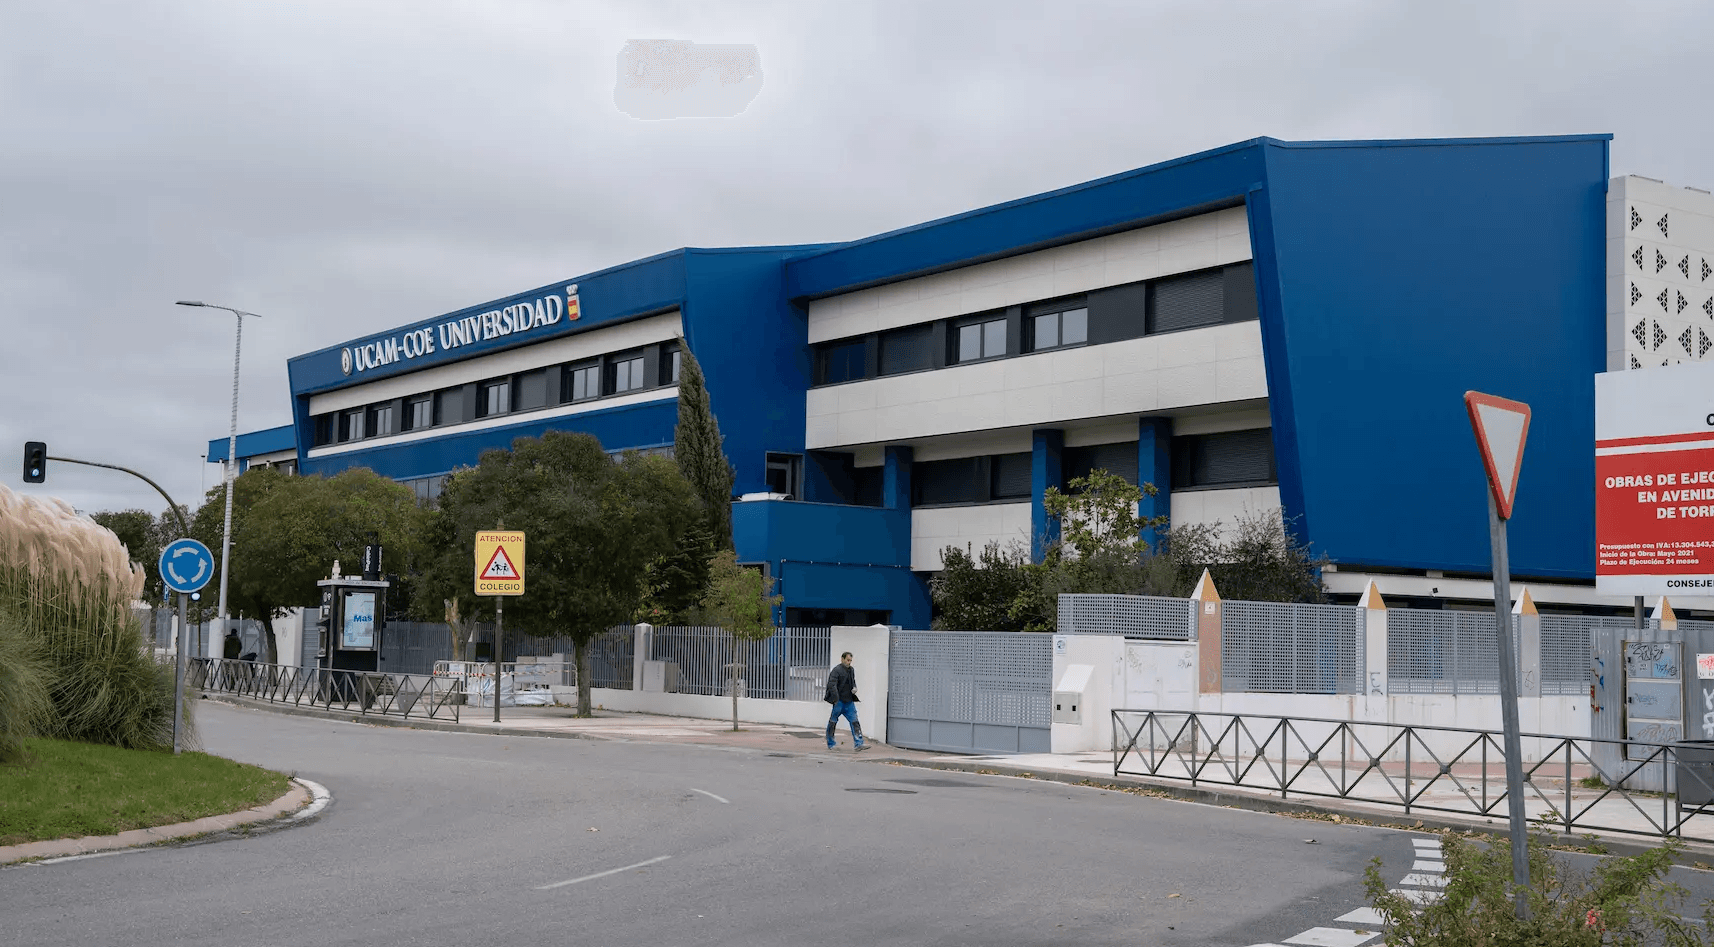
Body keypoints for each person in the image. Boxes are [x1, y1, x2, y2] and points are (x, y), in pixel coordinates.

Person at [824, 651, 868, 751]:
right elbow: (832, 684)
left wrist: (854, 688)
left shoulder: (851, 670)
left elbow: (853, 681)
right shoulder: (836, 670)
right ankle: (831, 743)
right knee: (833, 721)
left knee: (855, 721)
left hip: (849, 701)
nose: (849, 662)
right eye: (847, 660)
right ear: (842, 659)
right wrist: (836, 699)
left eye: (850, 661)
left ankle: (859, 743)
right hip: (839, 701)